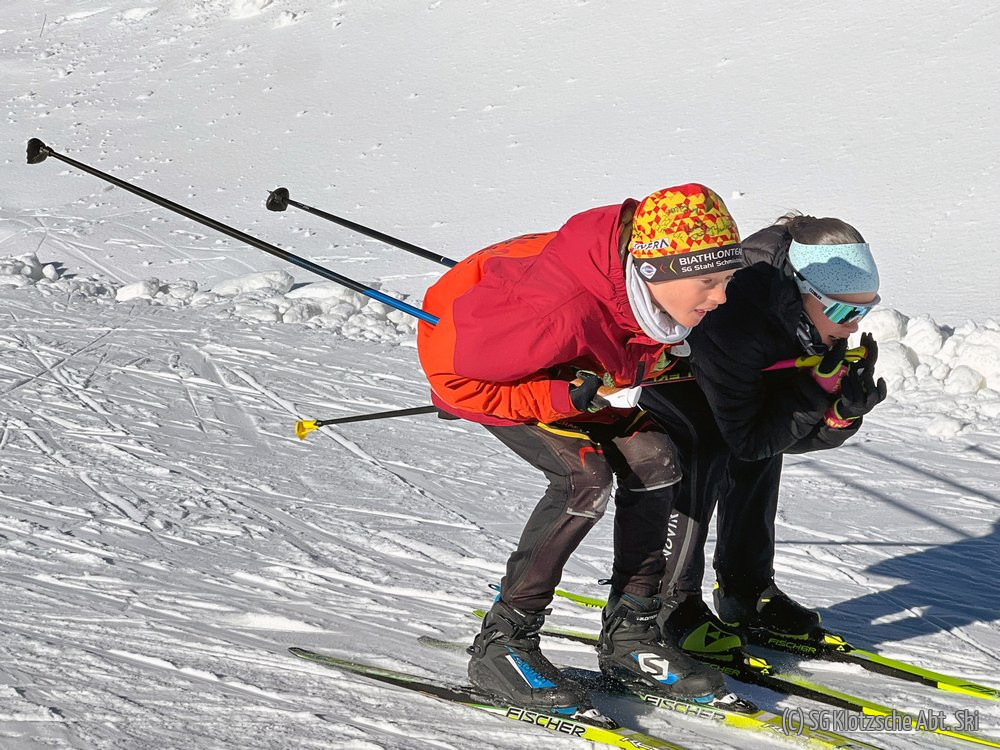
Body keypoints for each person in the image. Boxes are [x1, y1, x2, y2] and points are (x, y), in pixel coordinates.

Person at [417, 184, 744, 712]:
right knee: (584, 480)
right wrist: (554, 396)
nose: (722, 297)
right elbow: (455, 383)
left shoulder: (646, 289)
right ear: (654, 271)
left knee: (656, 460)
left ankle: (630, 634)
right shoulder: (555, 311)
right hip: (485, 369)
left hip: (566, 366)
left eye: (726, 280)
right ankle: (503, 643)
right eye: (709, 282)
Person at [638, 213, 887, 662]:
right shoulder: (739, 310)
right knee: (704, 449)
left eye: (863, 311)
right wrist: (812, 392)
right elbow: (747, 440)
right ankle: (669, 603)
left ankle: (745, 590)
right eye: (844, 311)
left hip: (733, 379)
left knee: (760, 450)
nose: (852, 327)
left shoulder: (810, 312)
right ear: (805, 291)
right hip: (669, 377)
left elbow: (776, 436)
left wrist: (838, 415)